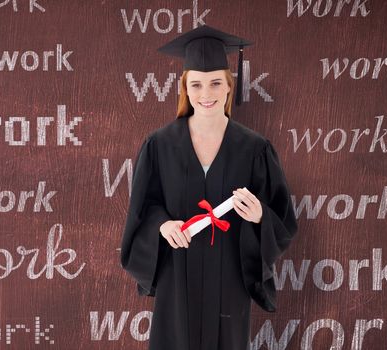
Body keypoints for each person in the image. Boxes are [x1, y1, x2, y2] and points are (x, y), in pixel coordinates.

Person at [120, 25, 299, 350]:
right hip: (177, 280)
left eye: (216, 82)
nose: (207, 93)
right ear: (185, 88)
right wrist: (162, 225)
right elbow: (142, 210)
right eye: (197, 84)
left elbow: (282, 219)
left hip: (228, 281)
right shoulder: (159, 145)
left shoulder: (254, 149)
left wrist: (260, 217)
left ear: (230, 86)